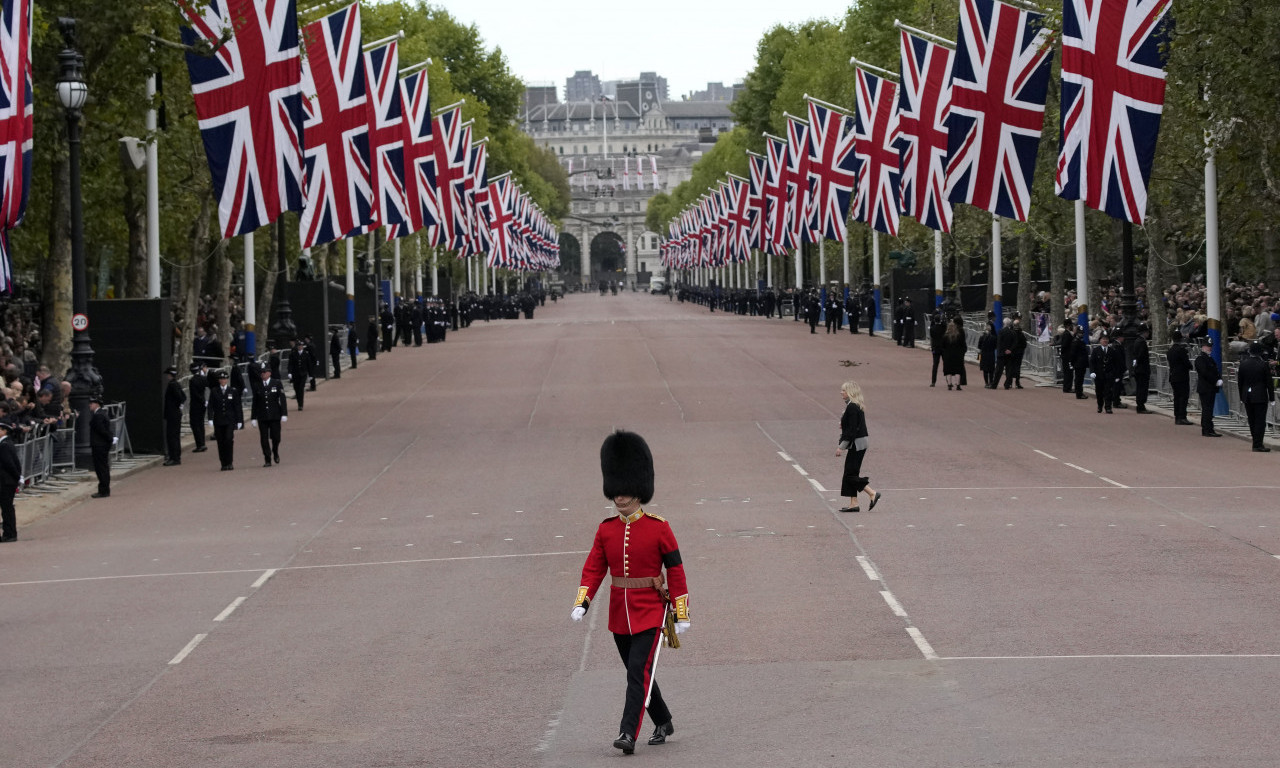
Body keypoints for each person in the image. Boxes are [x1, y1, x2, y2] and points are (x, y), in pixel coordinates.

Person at [571, 431, 690, 756]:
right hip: (619, 616)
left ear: (638, 491)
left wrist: (680, 612)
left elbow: (676, 570)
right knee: (638, 672)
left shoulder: (658, 527)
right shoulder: (606, 529)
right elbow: (594, 569)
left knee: (637, 672)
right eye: (616, 492)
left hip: (651, 611)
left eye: (625, 492)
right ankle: (663, 719)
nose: (619, 498)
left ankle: (627, 732)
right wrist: (583, 601)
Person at [836, 381, 882, 512]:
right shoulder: (854, 406)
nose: (841, 392)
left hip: (857, 444)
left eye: (843, 390)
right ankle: (853, 503)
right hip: (859, 443)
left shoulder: (852, 407)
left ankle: (872, 493)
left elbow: (852, 430)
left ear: (850, 392)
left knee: (850, 474)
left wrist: (841, 447)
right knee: (850, 472)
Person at [1237, 342, 1274, 451]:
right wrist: (1272, 398)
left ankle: (1255, 441)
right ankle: (1258, 444)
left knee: (1252, 420)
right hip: (1260, 396)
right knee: (1260, 421)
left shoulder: (1243, 364)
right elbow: (1269, 383)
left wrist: (1241, 397)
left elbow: (1240, 382)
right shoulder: (1263, 364)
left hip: (1247, 396)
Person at [250, 363, 288, 467]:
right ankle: (267, 458)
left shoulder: (276, 383)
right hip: (262, 416)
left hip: (275, 415)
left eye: (264, 372)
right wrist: (253, 417)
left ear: (269, 373)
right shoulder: (257, 385)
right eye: (261, 372)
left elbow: (282, 399)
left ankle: (275, 450)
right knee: (263, 438)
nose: (262, 374)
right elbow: (255, 402)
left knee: (276, 437)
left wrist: (284, 413)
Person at [206, 369, 244, 470]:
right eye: (221, 379)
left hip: (229, 420)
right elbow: (211, 406)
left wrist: (240, 420)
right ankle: (223, 463)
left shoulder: (233, 391)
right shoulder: (214, 391)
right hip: (218, 420)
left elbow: (237, 406)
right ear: (219, 380)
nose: (223, 380)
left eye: (224, 378)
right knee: (220, 441)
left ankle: (229, 462)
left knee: (228, 439)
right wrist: (210, 418)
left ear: (227, 380)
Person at [1193, 338, 1223, 437]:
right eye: (1207, 346)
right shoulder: (1200, 359)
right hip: (1206, 388)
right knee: (1207, 409)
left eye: (1210, 346)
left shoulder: (1209, 358)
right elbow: (1205, 373)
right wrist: (1215, 380)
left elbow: (1214, 371)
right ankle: (1207, 429)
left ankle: (1209, 428)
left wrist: (1218, 379)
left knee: (1209, 409)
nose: (1209, 348)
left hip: (1210, 388)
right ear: (1203, 347)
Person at [1089, 331, 1124, 414]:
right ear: (1100, 340)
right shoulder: (1096, 350)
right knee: (1099, 392)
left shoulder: (1112, 351)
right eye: (1103, 339)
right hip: (1099, 375)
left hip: (1109, 375)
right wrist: (1092, 372)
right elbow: (1092, 362)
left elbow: (1116, 364)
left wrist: (1117, 375)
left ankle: (1108, 407)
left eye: (1107, 339)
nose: (1105, 341)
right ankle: (1100, 405)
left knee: (1108, 392)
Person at [89, 397, 114, 498]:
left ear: (97, 404)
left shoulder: (98, 415)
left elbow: (101, 429)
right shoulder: (102, 413)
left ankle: (103, 490)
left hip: (99, 445)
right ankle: (104, 489)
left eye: (91, 403)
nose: (89, 405)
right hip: (102, 444)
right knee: (103, 467)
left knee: (101, 468)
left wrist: (109, 438)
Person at [1167, 330, 1193, 424]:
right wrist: (1190, 366)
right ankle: (1182, 416)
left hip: (1173, 376)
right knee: (1183, 397)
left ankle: (1177, 416)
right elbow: (1186, 363)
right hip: (1182, 376)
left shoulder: (1170, 351)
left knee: (1177, 397)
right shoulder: (1181, 350)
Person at [0, 420, 20, 542]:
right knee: (7, 508)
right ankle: (9, 532)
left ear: (5, 431)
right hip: (7, 481)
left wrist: (17, 476)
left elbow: (9, 464)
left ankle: (10, 533)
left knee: (7, 509)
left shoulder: (4, 445)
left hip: (5, 481)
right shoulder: (7, 444)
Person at [162, 366, 186, 466]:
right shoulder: (176, 384)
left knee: (172, 436)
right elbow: (184, 397)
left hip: (173, 414)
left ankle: (174, 457)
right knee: (174, 436)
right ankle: (175, 456)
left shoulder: (172, 385)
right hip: (175, 413)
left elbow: (180, 397)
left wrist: (176, 407)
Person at [941, 320, 968, 390]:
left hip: (948, 356)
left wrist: (944, 355)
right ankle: (958, 385)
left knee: (948, 371)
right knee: (958, 370)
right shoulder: (959, 336)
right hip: (958, 356)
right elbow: (964, 346)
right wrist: (962, 353)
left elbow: (942, 347)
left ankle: (949, 384)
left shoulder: (945, 336)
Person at [1132, 324, 1152, 414]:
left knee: (1141, 387)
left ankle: (1140, 405)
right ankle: (1141, 405)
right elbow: (1140, 356)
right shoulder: (1141, 342)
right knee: (1142, 388)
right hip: (1142, 369)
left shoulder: (1137, 341)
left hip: (1139, 368)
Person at [189, 361, 209, 453]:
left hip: (196, 405)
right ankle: (203, 443)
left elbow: (194, 394)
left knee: (195, 424)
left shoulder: (192, 380)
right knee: (201, 424)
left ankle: (199, 444)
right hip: (202, 404)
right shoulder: (203, 378)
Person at [288, 339, 310, 411]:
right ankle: (298, 402)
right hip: (295, 374)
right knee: (296, 388)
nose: (300, 347)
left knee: (301, 389)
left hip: (303, 374)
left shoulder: (306, 354)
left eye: (301, 346)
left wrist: (311, 374)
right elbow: (290, 364)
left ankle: (300, 405)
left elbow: (308, 365)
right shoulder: (293, 354)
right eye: (299, 346)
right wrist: (290, 372)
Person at [1071, 326, 1090, 399]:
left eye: (1082, 333)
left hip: (1082, 363)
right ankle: (1079, 393)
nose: (1081, 334)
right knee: (1079, 379)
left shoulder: (1081, 341)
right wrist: (1073, 363)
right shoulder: (1076, 342)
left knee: (1080, 379)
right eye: (1080, 333)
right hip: (1078, 363)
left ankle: (1079, 392)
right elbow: (1073, 354)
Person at [1057, 323, 1075, 394]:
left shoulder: (1065, 333)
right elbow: (1065, 345)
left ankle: (1066, 387)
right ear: (1069, 325)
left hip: (1065, 356)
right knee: (1068, 372)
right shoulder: (1067, 334)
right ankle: (1068, 387)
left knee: (1067, 372)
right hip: (1067, 356)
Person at [929, 313, 946, 386]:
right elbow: (945, 326)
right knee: (946, 364)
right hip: (943, 347)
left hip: (935, 347)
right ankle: (949, 381)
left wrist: (932, 322)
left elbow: (931, 334)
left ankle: (933, 381)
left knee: (935, 365)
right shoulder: (943, 328)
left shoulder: (932, 328)